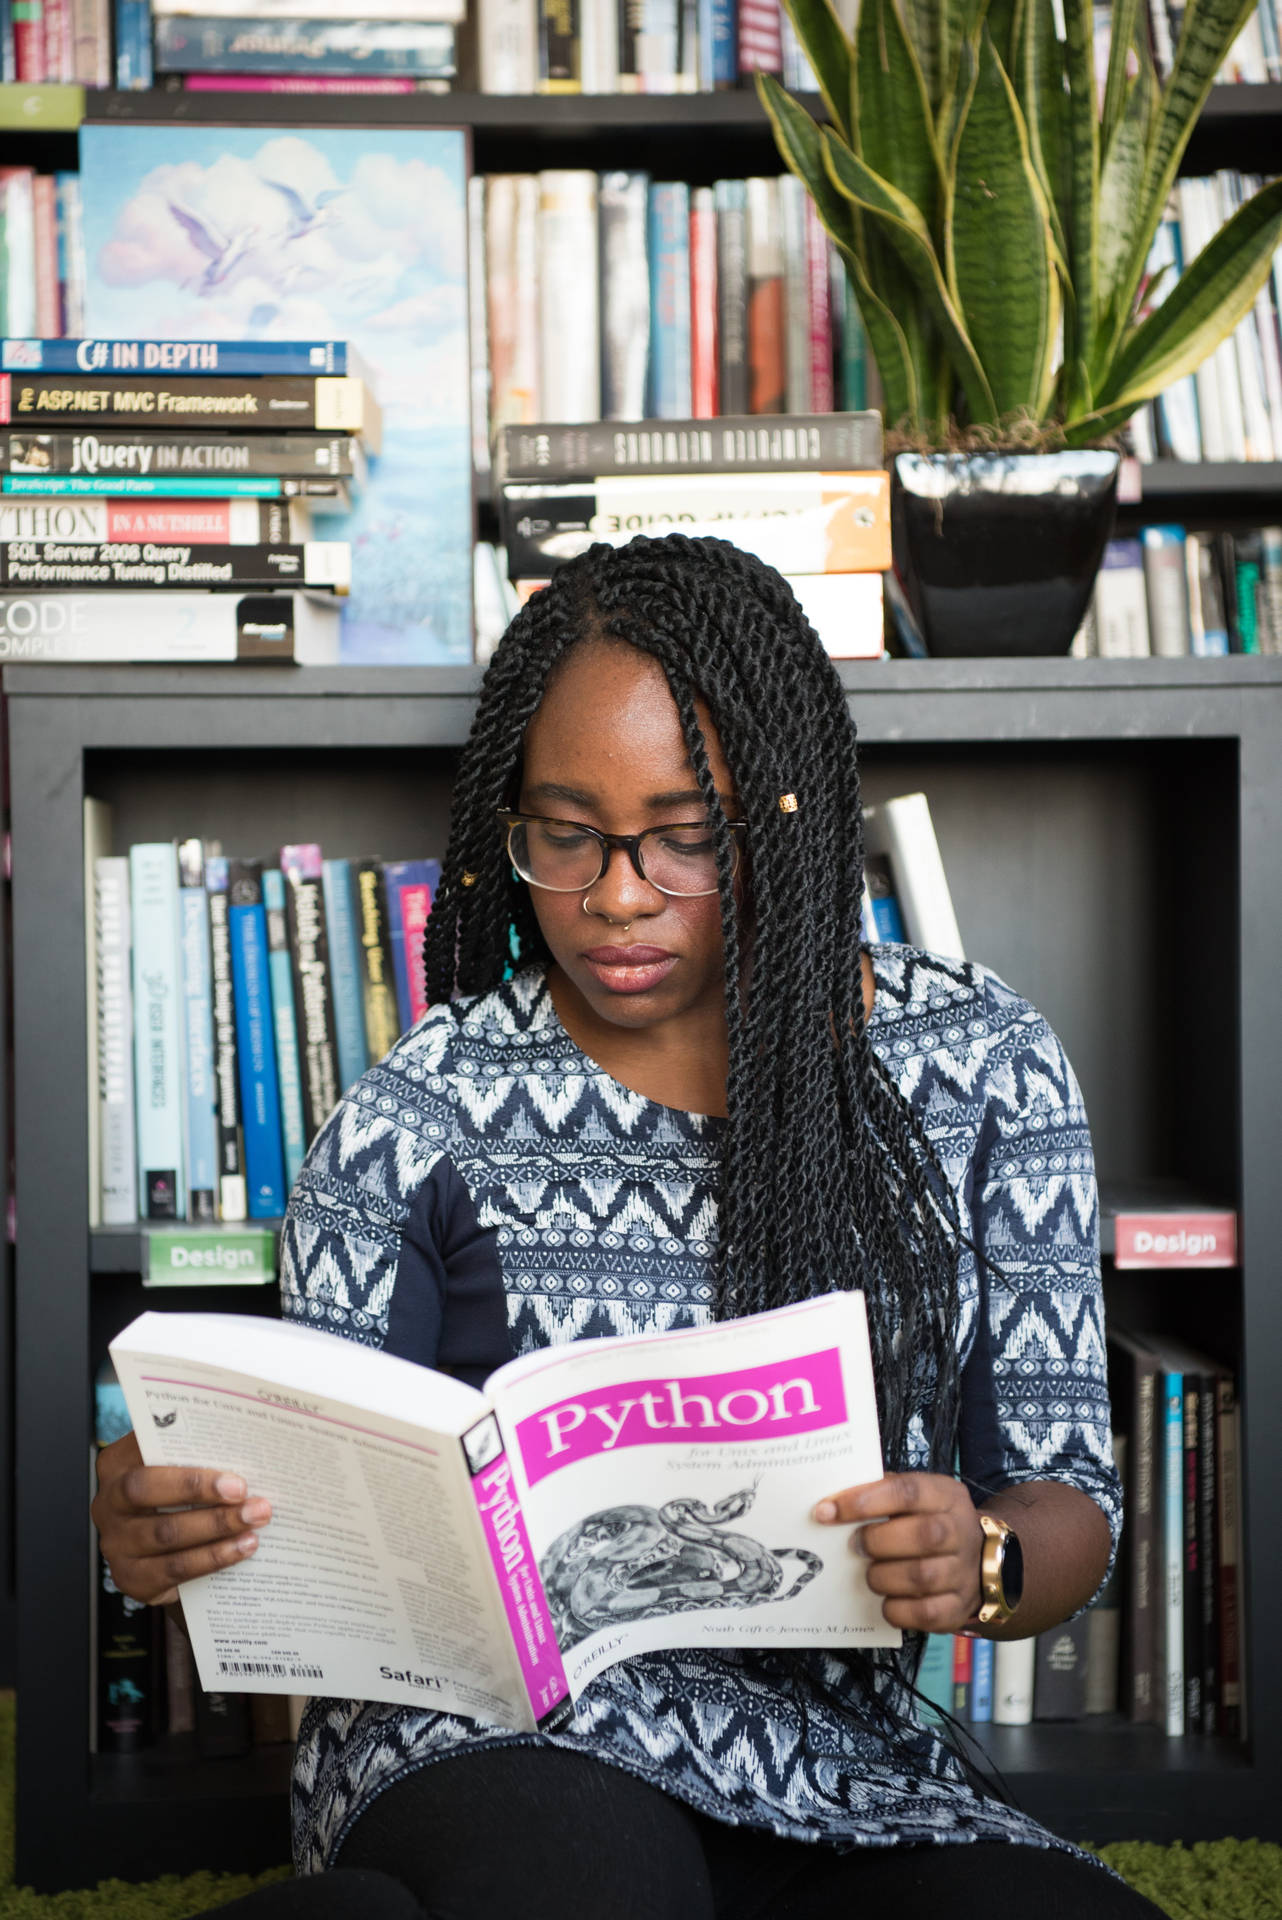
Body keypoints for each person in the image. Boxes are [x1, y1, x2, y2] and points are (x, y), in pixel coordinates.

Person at [93, 534, 1160, 1920]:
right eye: (565, 832)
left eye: (683, 835)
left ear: (780, 815)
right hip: (483, 1743)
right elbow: (312, 1522)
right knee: (588, 1881)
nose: (613, 893)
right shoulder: (424, 1107)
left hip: (837, 1763)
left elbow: (1068, 1498)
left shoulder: (985, 1066)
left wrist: (986, 1559)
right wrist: (173, 1528)